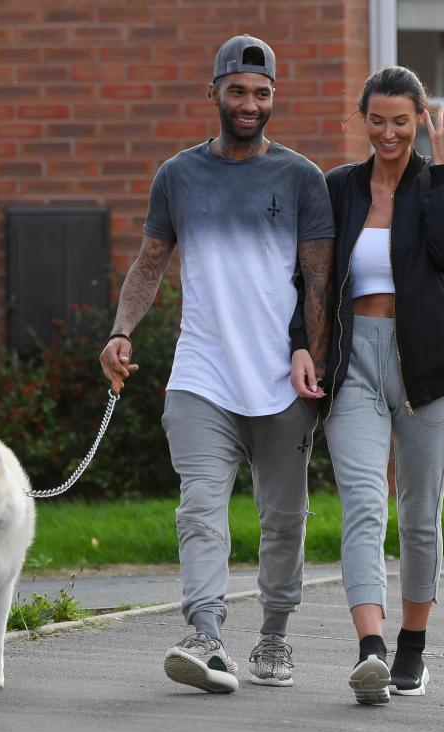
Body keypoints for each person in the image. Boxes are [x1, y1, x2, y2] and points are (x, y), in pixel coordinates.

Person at [99, 34, 334, 695]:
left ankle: (275, 636)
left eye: (262, 94)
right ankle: (204, 632)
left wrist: (313, 360)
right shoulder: (178, 176)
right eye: (237, 91)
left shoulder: (301, 179)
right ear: (214, 93)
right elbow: (149, 264)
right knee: (200, 507)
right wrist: (121, 331)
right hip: (201, 374)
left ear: (273, 98)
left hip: (281, 382)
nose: (249, 103)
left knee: (284, 518)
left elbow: (317, 283)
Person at [290, 66, 444, 705]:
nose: (388, 133)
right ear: (361, 120)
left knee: (420, 516)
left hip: (425, 369)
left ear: (422, 121)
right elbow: (312, 278)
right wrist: (302, 343)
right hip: (353, 365)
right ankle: (370, 650)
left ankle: (412, 649)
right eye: (376, 120)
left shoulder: (442, 183)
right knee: (363, 504)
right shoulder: (340, 188)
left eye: (401, 121)